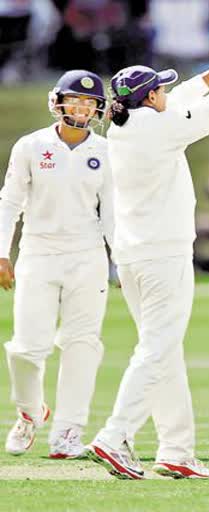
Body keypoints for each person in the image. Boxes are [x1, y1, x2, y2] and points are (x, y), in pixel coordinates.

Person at [84, 18, 209, 481]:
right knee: (158, 349)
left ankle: (176, 450)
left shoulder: (128, 122)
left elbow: (183, 96)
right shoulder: (157, 128)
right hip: (162, 255)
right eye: (159, 89)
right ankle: (115, 435)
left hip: (136, 256)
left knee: (163, 350)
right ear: (149, 99)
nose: (165, 93)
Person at [0, 70, 112, 460]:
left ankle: (68, 431)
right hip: (38, 252)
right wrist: (2, 252)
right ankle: (30, 413)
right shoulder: (31, 146)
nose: (81, 107)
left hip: (88, 254)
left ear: (97, 108)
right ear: (58, 102)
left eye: (89, 102)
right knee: (25, 350)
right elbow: (10, 202)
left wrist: (120, 259)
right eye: (74, 100)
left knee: (82, 344)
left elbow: (112, 211)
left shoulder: (105, 150)